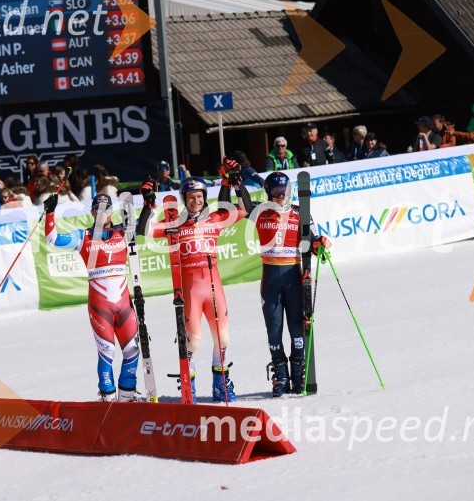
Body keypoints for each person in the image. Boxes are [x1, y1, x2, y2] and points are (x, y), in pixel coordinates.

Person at [138, 158, 250, 402]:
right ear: (184, 199)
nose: (196, 200)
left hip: (214, 287)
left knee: (223, 338)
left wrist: (234, 182)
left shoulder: (215, 219)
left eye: (199, 196)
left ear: (205, 198)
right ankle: (189, 385)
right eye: (191, 197)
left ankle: (221, 384)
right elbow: (144, 230)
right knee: (194, 341)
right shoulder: (175, 225)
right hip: (190, 291)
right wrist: (149, 203)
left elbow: (244, 210)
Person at [44, 193, 141, 402]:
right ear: (92, 212)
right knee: (107, 351)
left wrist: (149, 201)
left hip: (124, 304)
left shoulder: (123, 231)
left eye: (107, 209)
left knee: (132, 350)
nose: (102, 213)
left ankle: (127, 397)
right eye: (98, 209)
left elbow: (145, 225)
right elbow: (52, 239)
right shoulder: (83, 236)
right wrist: (50, 213)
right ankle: (107, 399)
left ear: (112, 212)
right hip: (100, 306)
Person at [246, 172, 331, 396]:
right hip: (271, 280)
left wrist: (320, 243)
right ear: (268, 193)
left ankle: (299, 371)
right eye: (275, 192)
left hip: (293, 277)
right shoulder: (261, 212)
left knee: (296, 327)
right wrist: (236, 182)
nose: (280, 196)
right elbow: (242, 205)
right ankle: (281, 375)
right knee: (274, 330)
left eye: (283, 191)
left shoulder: (300, 212)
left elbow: (312, 240)